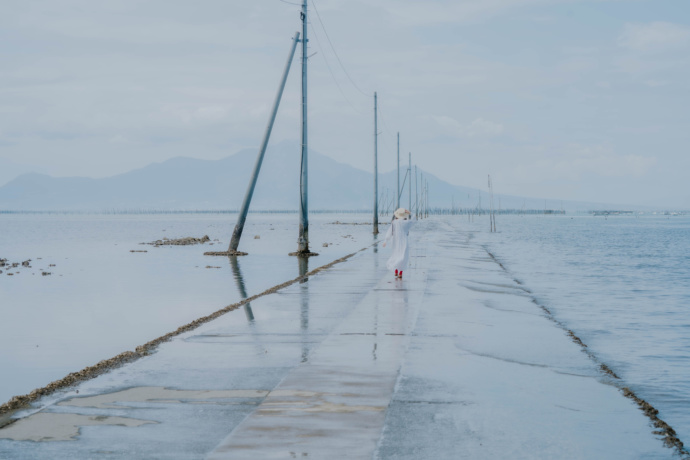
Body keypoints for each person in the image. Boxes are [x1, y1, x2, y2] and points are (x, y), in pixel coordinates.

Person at [382, 208, 414, 278]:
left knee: (396, 255)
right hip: (404, 241)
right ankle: (400, 273)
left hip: (395, 242)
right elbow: (414, 220)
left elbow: (390, 232)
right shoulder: (406, 222)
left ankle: (396, 271)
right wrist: (410, 213)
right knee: (403, 256)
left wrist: (386, 240)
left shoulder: (394, 223)